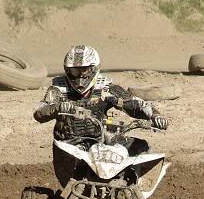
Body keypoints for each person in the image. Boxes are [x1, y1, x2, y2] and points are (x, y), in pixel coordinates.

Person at [33, 45, 168, 157]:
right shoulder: (58, 89)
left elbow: (133, 103)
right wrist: (57, 108)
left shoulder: (105, 87)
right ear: (67, 70)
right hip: (69, 145)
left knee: (141, 147)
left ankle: (134, 180)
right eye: (75, 71)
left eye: (84, 70)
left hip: (101, 140)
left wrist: (155, 115)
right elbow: (39, 113)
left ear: (93, 69)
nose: (80, 76)